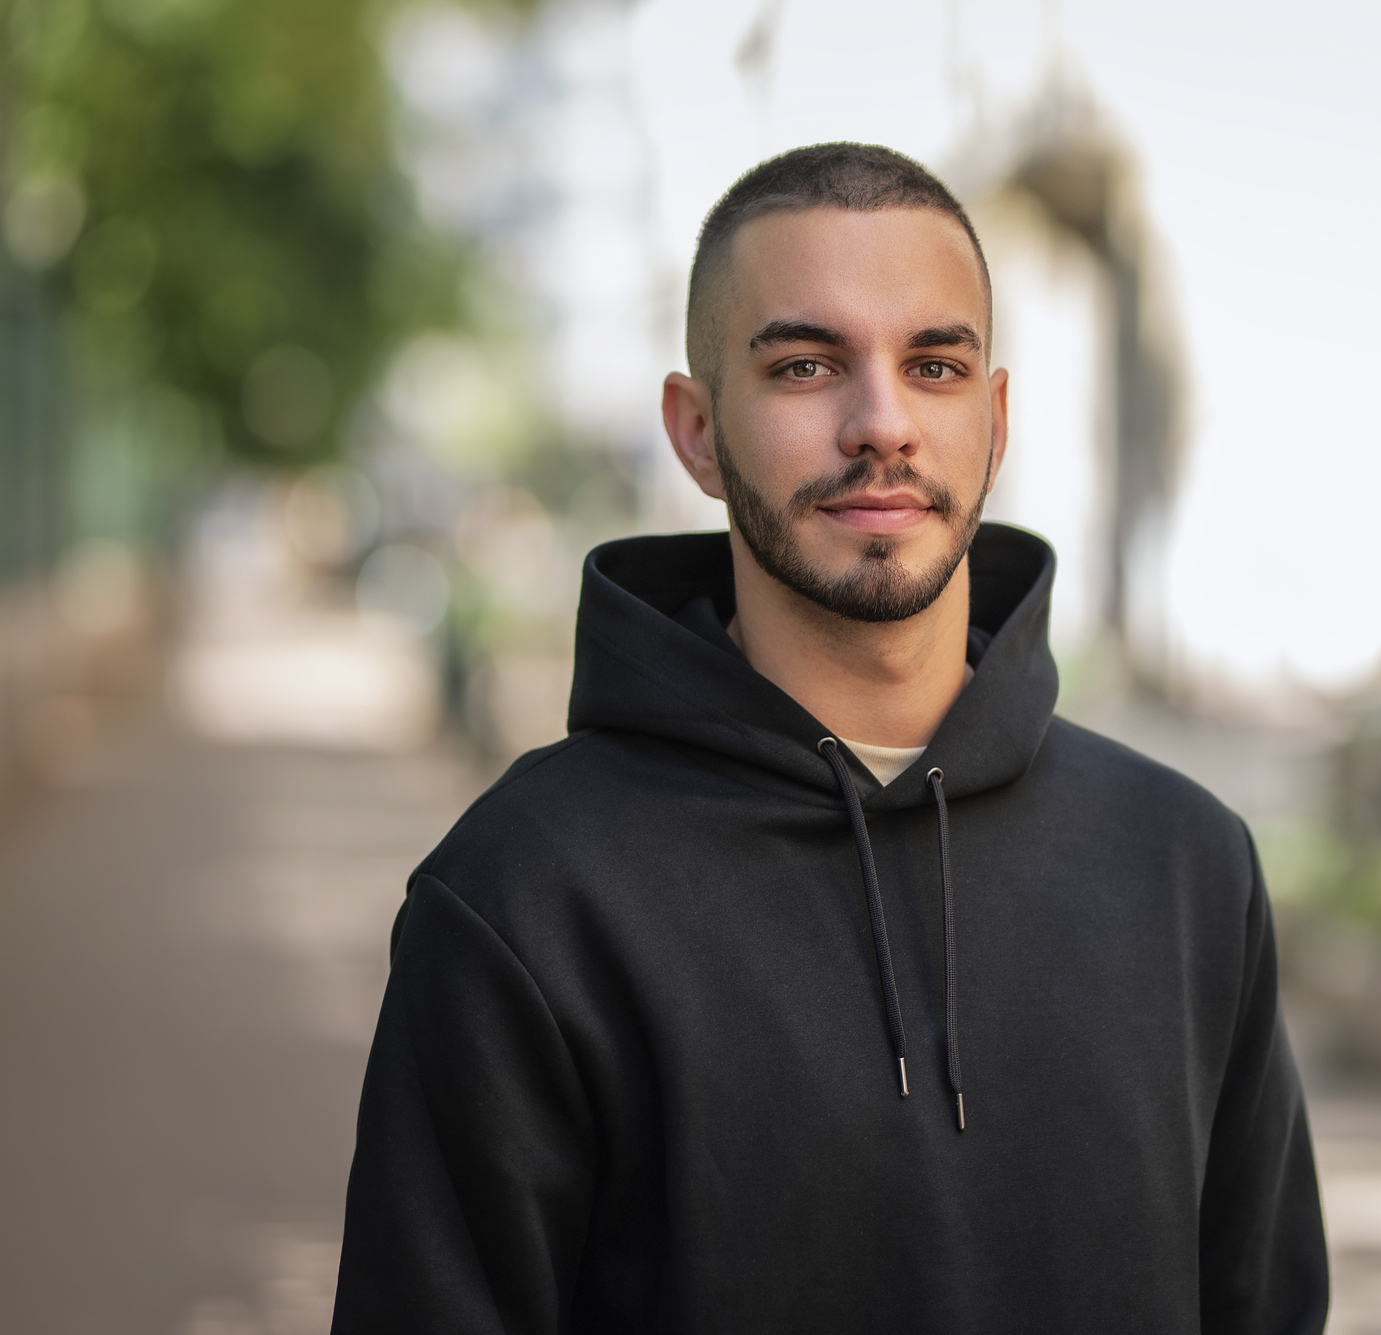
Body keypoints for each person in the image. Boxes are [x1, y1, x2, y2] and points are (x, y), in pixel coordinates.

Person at [332, 142, 1327, 1333]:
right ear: (696, 433)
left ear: (995, 422)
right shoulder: (524, 895)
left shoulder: (1185, 866)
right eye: (806, 365)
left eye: (935, 364)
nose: (881, 424)